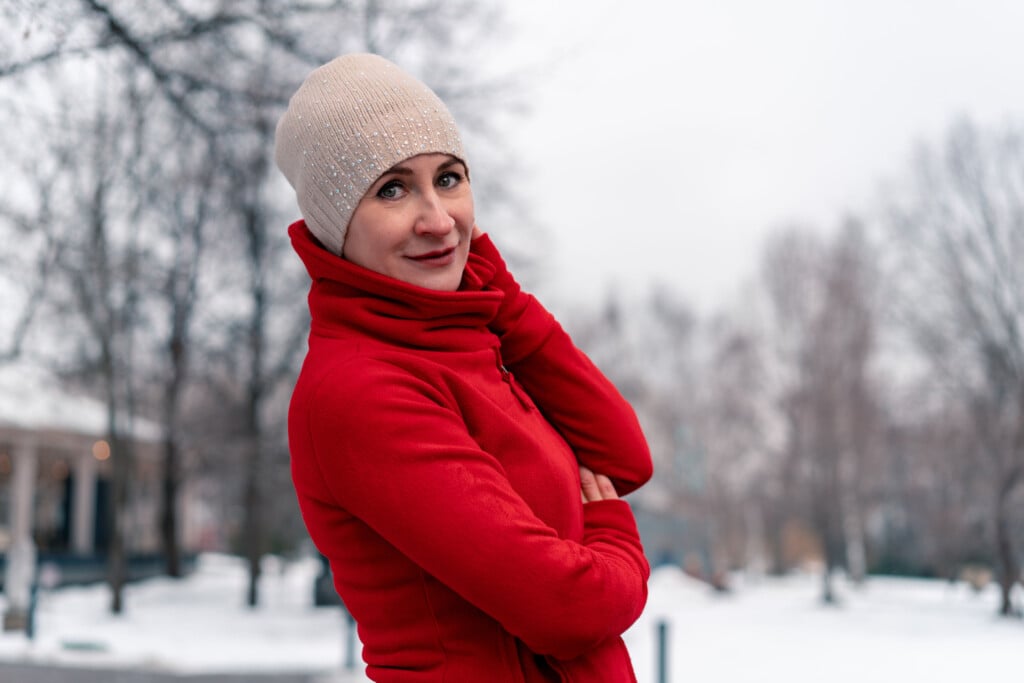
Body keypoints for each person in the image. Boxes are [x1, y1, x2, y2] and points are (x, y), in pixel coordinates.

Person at [275, 53, 653, 682]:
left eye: (448, 179)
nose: (437, 219)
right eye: (391, 189)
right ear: (334, 225)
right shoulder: (361, 390)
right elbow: (567, 608)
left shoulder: (466, 342)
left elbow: (622, 457)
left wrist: (501, 295)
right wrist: (612, 536)